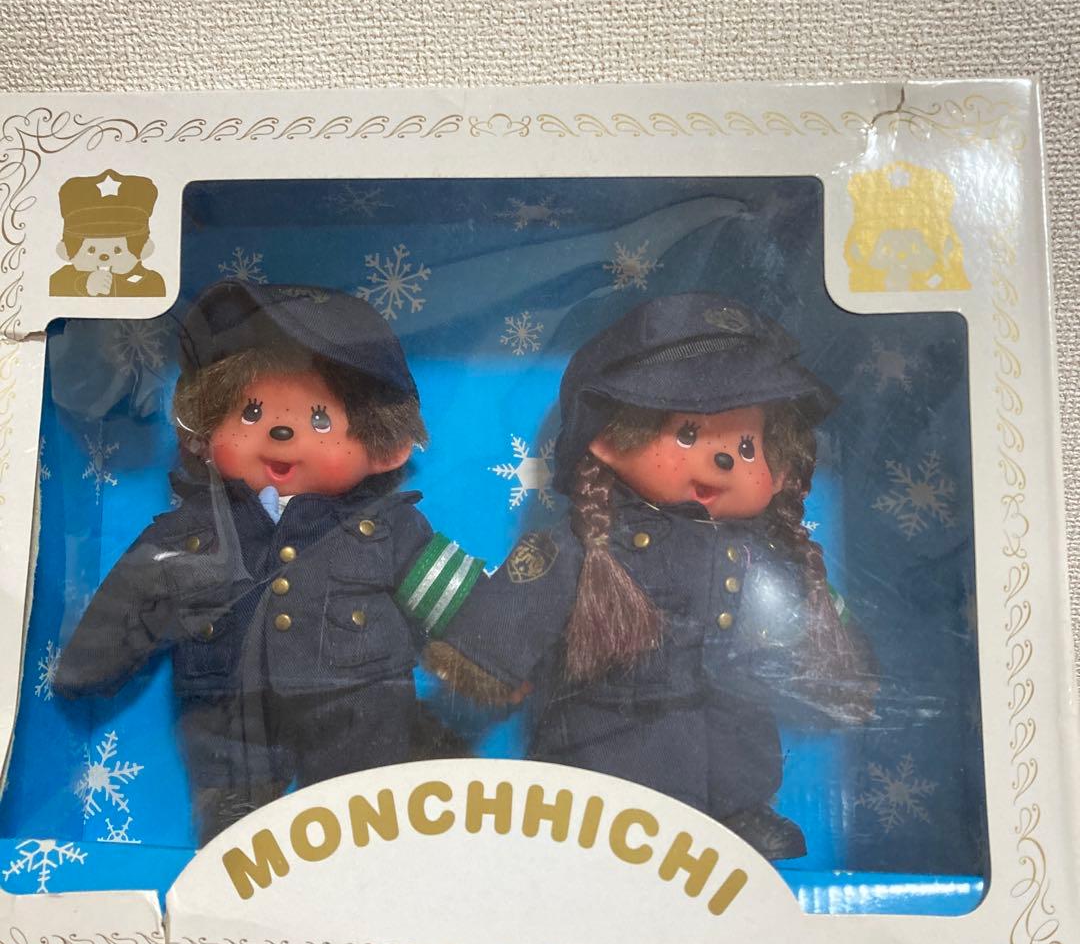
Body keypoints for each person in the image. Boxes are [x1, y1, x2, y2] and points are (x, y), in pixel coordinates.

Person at [423, 293, 877, 860]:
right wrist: (488, 664)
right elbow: (526, 598)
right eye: (687, 434)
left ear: (779, 468)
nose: (724, 461)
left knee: (737, 744)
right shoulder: (593, 545)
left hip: (731, 736)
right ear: (612, 440)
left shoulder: (765, 555)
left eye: (746, 446)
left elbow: (809, 621)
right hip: (614, 751)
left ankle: (738, 813)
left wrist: (838, 662)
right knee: (621, 780)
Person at [53, 280, 483, 843]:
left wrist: (496, 654)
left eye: (321, 420)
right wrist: (87, 667)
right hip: (230, 711)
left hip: (358, 703)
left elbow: (452, 595)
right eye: (250, 412)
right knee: (233, 833)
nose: (280, 432)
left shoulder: (387, 529)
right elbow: (134, 597)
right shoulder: (191, 533)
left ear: (383, 447)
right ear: (205, 432)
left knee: (370, 812)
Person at [50, 169, 166, 297]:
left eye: (117, 250)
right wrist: (85, 285)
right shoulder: (63, 278)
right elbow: (57, 288)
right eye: (91, 250)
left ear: (144, 250)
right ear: (66, 251)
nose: (104, 257)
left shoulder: (152, 281)